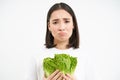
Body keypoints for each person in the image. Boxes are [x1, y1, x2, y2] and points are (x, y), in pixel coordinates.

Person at [25, 2, 94, 80]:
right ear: (49, 26)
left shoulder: (84, 56)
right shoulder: (37, 56)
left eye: (66, 21)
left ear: (73, 24)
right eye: (55, 22)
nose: (61, 27)